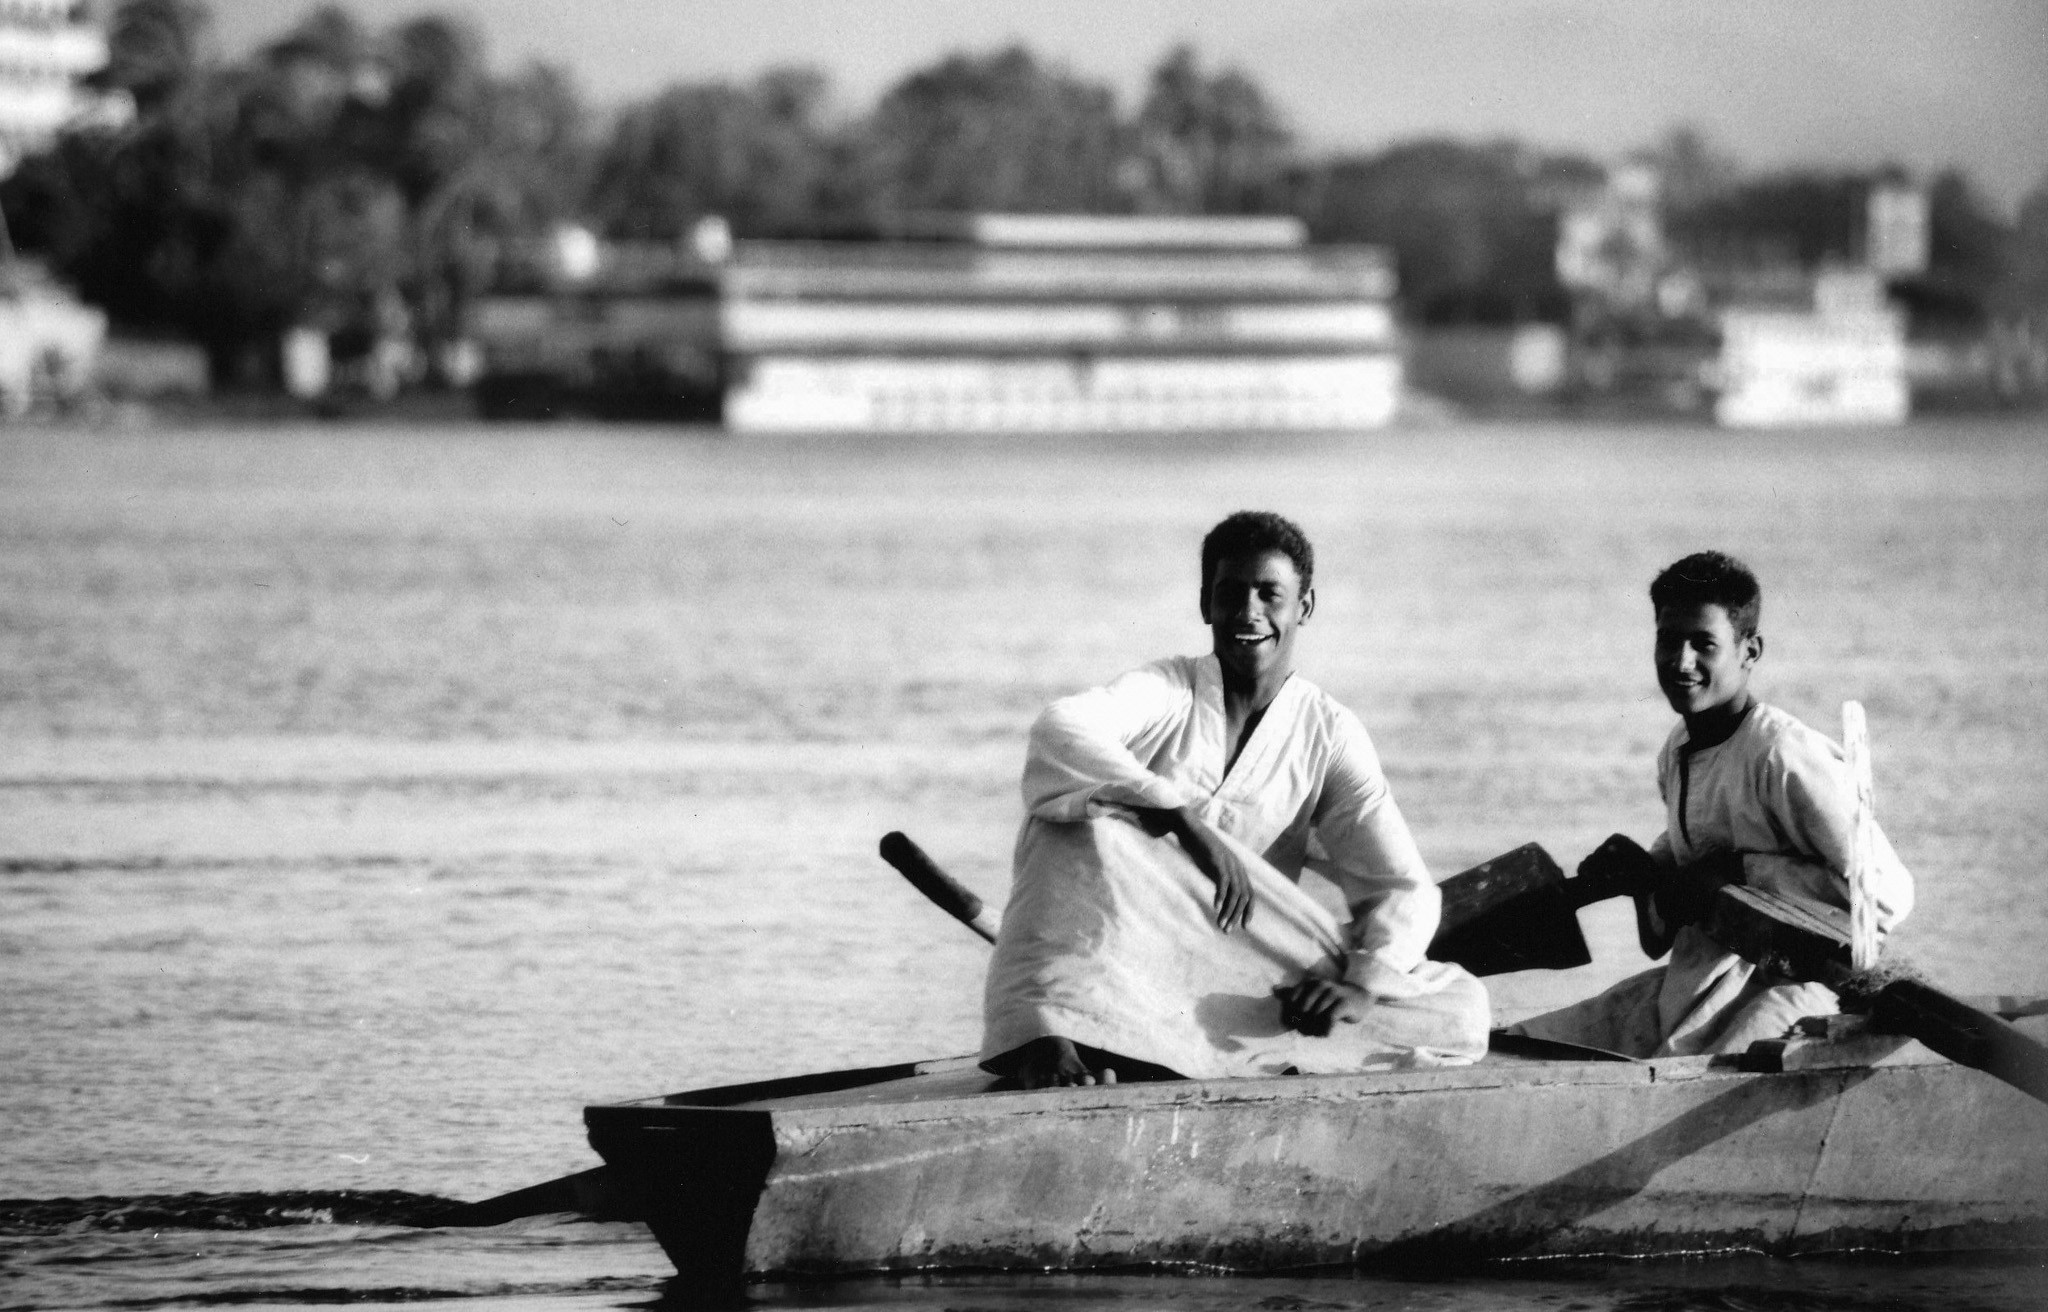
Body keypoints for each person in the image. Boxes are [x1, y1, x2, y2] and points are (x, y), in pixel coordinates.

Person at [981, 511, 1489, 1088]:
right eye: (1230, 594)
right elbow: (1060, 727)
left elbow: (1401, 888)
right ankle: (1047, 1038)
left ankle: (1150, 1045)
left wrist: (1361, 987)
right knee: (1075, 825)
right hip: (1123, 954)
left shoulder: (1329, 733)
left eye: (1270, 594)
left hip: (1230, 959)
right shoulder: (1169, 690)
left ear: (1304, 607)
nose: (1249, 613)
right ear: (1206, 605)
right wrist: (1178, 819)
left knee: (1459, 1009)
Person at [1514, 551, 1915, 1058]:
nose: (1681, 662)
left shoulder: (1782, 754)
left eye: (1704, 644)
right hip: (1699, 984)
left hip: (1799, 992)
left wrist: (1741, 872)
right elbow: (1664, 931)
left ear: (1750, 651)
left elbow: (1887, 895)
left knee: (1680, 1076)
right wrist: (1642, 878)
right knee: (1521, 1044)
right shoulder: (1677, 749)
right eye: (1668, 640)